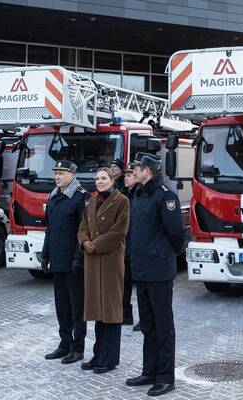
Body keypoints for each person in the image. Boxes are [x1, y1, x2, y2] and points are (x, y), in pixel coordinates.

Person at [125, 153, 184, 397]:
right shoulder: (138, 194)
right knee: (148, 325)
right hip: (141, 269)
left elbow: (176, 233)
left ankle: (165, 377)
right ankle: (149, 371)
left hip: (159, 271)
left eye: (136, 168)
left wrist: (161, 253)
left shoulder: (164, 195)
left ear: (147, 170)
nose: (133, 172)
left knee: (163, 326)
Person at [78, 166, 130, 373]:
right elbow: (82, 226)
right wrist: (84, 242)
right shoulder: (91, 200)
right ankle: (98, 354)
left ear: (112, 180)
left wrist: (96, 244)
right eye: (97, 178)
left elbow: (119, 231)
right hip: (92, 262)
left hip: (109, 261)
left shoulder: (122, 202)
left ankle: (109, 359)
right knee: (98, 311)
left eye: (103, 178)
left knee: (111, 312)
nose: (99, 181)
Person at [41, 159, 88, 364]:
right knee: (62, 305)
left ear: (72, 175)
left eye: (61, 173)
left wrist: (79, 258)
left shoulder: (80, 198)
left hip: (73, 262)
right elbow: (49, 230)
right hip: (58, 260)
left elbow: (84, 231)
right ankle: (65, 343)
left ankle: (78, 348)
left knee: (77, 306)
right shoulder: (53, 198)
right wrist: (45, 254)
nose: (57, 177)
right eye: (56, 173)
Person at [122, 159, 140, 329]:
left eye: (130, 174)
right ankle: (126, 315)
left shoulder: (140, 196)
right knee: (124, 284)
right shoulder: (126, 195)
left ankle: (144, 319)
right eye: (125, 174)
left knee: (142, 285)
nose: (126, 178)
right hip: (126, 248)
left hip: (138, 248)